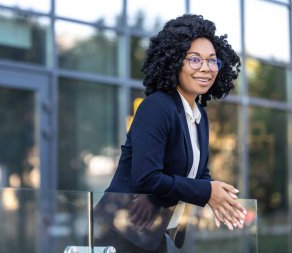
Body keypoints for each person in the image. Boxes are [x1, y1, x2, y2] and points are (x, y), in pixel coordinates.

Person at [97, 14, 247, 252]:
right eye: (195, 60)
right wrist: (206, 192)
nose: (206, 68)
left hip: (152, 232)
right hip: (120, 232)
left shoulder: (199, 116)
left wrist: (218, 197)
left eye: (212, 61)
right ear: (175, 60)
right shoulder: (157, 106)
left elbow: (199, 175)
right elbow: (147, 177)